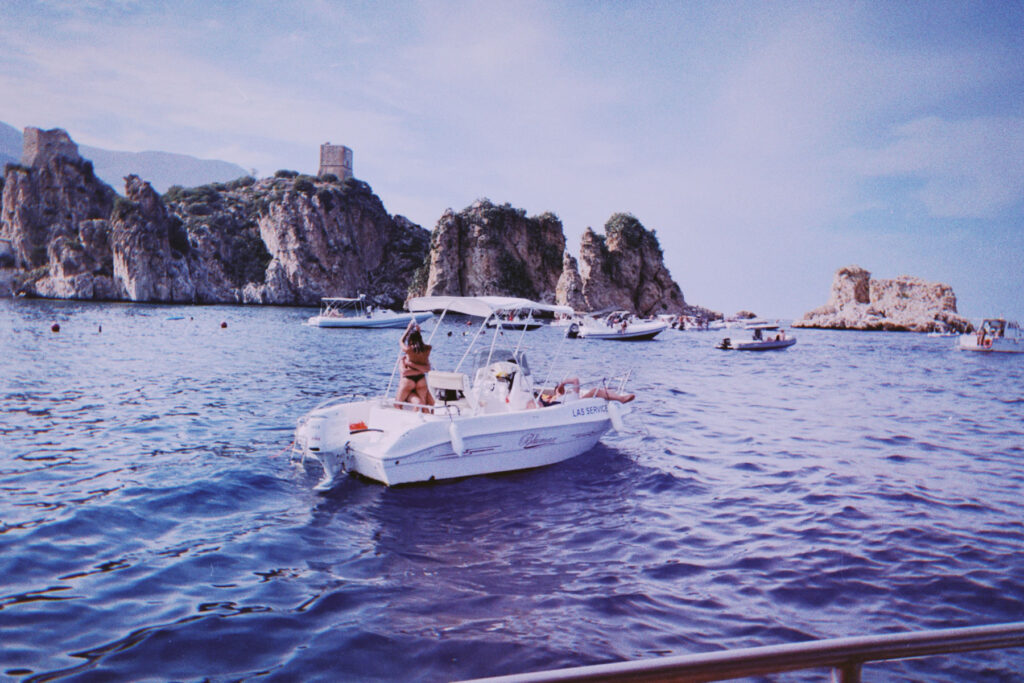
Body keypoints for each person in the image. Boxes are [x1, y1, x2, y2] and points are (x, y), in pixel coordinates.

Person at [396, 320, 434, 411]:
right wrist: (418, 333)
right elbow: (421, 344)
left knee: (397, 404)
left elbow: (401, 341)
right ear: (420, 337)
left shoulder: (408, 350)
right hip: (421, 379)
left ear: (410, 340)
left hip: (408, 380)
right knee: (424, 405)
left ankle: (407, 422)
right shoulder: (428, 349)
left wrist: (408, 329)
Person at [532, 377, 634, 407]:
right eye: (559, 390)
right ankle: (621, 399)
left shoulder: (570, 393)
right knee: (595, 390)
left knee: (604, 390)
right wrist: (559, 389)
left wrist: (562, 383)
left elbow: (575, 380)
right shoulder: (554, 398)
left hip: (576, 402)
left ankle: (618, 398)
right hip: (571, 405)